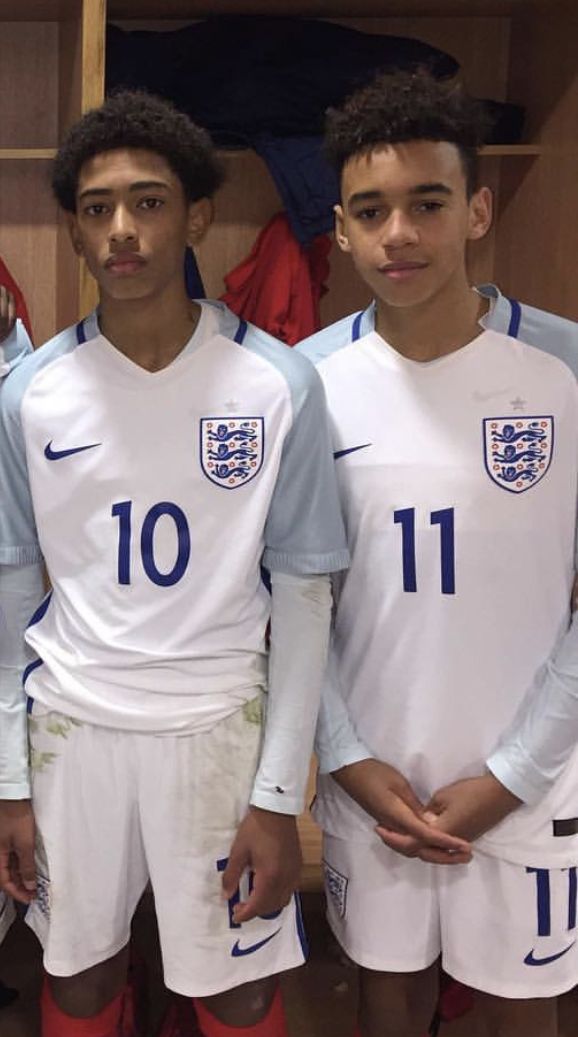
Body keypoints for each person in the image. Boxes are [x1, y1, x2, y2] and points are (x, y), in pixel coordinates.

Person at [0, 90, 356, 1037]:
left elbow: (308, 595)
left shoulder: (277, 382)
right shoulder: (29, 394)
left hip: (216, 728)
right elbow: (7, 595)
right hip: (72, 728)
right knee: (78, 974)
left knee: (234, 984)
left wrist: (281, 796)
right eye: (97, 207)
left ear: (197, 214)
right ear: (74, 230)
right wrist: (7, 780)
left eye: (149, 202)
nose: (123, 230)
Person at [298, 70, 578, 1037]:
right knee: (389, 995)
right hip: (374, 774)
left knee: (524, 1005)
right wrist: (344, 753)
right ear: (339, 229)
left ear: (479, 210)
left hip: (537, 773)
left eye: (428, 203)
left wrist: (513, 773)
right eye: (370, 212)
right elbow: (292, 602)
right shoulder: (303, 385)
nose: (399, 235)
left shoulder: (565, 367)